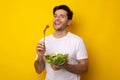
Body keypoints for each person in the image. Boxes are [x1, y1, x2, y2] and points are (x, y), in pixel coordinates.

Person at [34, 5, 88, 80]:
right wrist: (40, 57)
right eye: (55, 16)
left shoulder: (77, 41)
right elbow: (38, 70)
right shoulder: (43, 41)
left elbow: (84, 68)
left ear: (68, 22)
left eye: (62, 16)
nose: (57, 19)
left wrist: (64, 65)